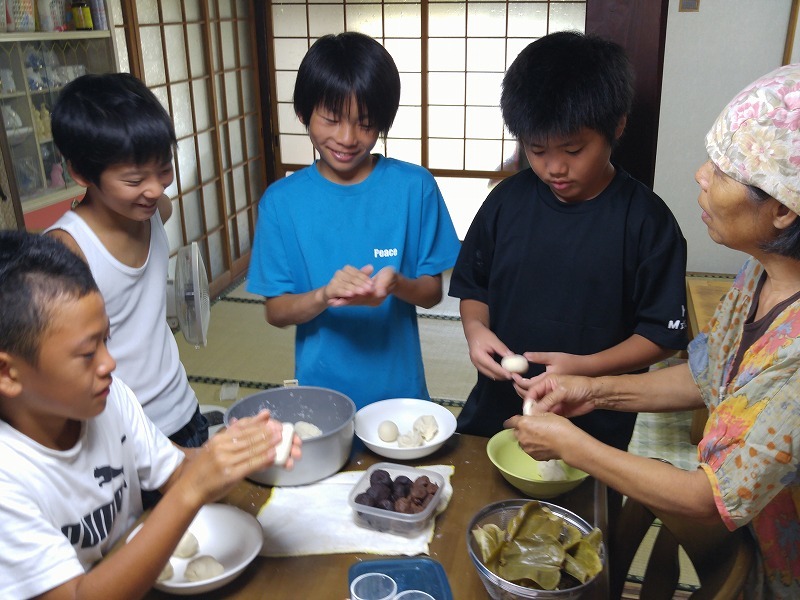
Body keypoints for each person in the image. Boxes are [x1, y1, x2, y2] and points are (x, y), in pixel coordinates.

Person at [509, 63, 800, 598]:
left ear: (782, 208)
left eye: (722, 168)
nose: (700, 175)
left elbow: (705, 497)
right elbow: (707, 375)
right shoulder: (762, 271)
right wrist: (591, 390)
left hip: (778, 555)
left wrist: (572, 445)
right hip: (738, 528)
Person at [0, 231, 300, 600]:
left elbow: (175, 472)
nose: (109, 363)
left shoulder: (108, 400)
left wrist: (236, 456)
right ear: (7, 374)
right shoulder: (8, 478)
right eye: (86, 354)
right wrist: (192, 489)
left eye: (105, 340)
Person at [449, 31, 688, 449]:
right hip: (496, 409)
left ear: (617, 126)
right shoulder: (506, 202)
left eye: (573, 149)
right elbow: (474, 285)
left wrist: (585, 369)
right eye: (537, 150)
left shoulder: (648, 223)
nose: (554, 168)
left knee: (584, 511)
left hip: (595, 423)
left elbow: (661, 336)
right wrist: (474, 329)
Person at [247, 32, 461, 410]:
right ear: (303, 113)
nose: (347, 138)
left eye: (365, 123)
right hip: (322, 399)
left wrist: (397, 284)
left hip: (402, 395)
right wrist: (325, 295)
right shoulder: (281, 203)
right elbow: (276, 312)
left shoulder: (415, 188)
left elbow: (431, 294)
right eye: (331, 119)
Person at [45, 73, 208, 458]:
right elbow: (61, 367)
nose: (155, 189)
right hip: (123, 437)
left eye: (164, 169)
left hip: (184, 409)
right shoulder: (67, 251)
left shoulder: (153, 211)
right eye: (134, 179)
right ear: (82, 173)